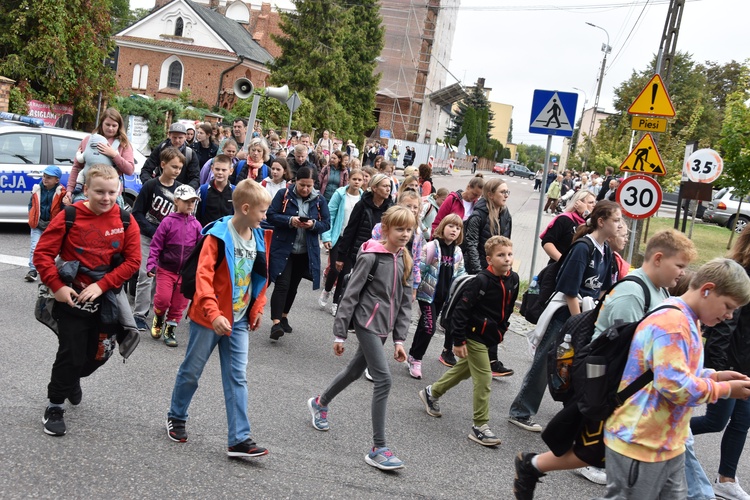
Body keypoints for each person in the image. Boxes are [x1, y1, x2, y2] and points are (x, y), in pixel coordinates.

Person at [513, 230, 697, 497]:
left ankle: (532, 464)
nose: (682, 273)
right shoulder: (633, 294)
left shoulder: (659, 290)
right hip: (611, 387)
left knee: (597, 451)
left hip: (627, 390)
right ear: (658, 258)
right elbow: (623, 351)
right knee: (598, 451)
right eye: (679, 265)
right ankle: (532, 464)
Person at [596, 259, 750, 499]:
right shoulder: (674, 324)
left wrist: (715, 376)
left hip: (665, 443)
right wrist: (724, 389)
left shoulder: (687, 319)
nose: (729, 316)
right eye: (728, 306)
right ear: (707, 289)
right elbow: (675, 387)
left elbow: (676, 372)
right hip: (640, 444)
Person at [166, 180, 271, 458]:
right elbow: (203, 278)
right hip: (208, 319)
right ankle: (176, 415)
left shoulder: (258, 235)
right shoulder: (217, 235)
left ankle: (239, 439)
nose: (264, 217)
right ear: (246, 208)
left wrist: (257, 308)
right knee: (192, 370)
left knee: (238, 377)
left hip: (237, 321)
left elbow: (260, 275)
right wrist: (213, 314)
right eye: (262, 211)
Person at [306, 205, 415, 471]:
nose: (405, 234)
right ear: (386, 229)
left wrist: (400, 340)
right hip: (366, 322)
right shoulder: (371, 257)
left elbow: (403, 303)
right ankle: (378, 448)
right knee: (384, 380)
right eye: (399, 229)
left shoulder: (404, 259)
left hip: (385, 328)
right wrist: (340, 333)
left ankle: (319, 403)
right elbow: (350, 294)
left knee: (355, 371)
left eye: (409, 230)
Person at [35, 164, 141, 437]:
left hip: (106, 300)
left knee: (100, 354)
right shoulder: (70, 215)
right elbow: (43, 254)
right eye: (99, 192)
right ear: (86, 189)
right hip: (71, 298)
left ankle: (71, 381)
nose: (106, 198)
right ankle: (55, 406)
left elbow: (133, 261)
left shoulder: (126, 220)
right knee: (70, 351)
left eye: (112, 191)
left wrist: (102, 284)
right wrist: (57, 287)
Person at [508, 201, 622, 432]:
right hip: (566, 315)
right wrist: (579, 324)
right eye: (617, 220)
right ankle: (521, 411)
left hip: (585, 316)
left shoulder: (606, 251)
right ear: (601, 222)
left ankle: (571, 418)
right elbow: (570, 290)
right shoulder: (583, 248)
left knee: (575, 366)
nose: (620, 225)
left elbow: (602, 288)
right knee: (544, 363)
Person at [419, 235, 519, 446]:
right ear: (489, 259)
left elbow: (507, 309)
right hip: (472, 335)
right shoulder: (480, 281)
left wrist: (502, 330)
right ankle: (480, 426)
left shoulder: (514, 279)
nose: (507, 259)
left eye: (509, 254)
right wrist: (459, 341)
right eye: (501, 255)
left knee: (464, 370)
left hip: (489, 336)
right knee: (484, 379)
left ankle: (431, 393)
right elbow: (461, 312)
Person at [690, 226, 750, 500]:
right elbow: (724, 328)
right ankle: (652, 432)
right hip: (730, 365)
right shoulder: (739, 276)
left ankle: (726, 478)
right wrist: (717, 371)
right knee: (716, 421)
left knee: (741, 422)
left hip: (746, 364)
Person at [266, 167, 330, 341]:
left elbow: (326, 224)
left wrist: (313, 225)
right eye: (302, 185)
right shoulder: (283, 194)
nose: (305, 189)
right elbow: (270, 215)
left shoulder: (319, 200)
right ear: (295, 182)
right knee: (282, 284)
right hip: (284, 248)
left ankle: (284, 316)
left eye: (309, 186)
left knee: (293, 286)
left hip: (305, 251)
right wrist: (289, 221)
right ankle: (276, 323)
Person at [461, 177, 514, 376]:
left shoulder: (506, 214)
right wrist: (478, 272)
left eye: (508, 192)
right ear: (490, 194)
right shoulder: (478, 215)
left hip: (496, 271)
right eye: (503, 192)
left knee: (492, 315)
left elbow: (506, 242)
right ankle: (450, 346)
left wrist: (506, 265)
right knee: (467, 310)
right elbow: (471, 243)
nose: (506, 196)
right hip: (481, 271)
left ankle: (492, 359)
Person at [131, 147, 185, 331]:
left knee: (160, 278)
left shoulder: (180, 190)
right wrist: (154, 231)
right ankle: (139, 314)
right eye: (174, 166)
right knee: (146, 274)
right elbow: (137, 213)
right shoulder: (151, 186)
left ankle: (158, 312)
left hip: (169, 243)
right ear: (163, 165)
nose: (177, 170)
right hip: (148, 237)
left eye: (180, 167)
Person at [407, 214, 466, 379]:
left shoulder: (457, 252)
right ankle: (417, 360)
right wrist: (414, 288)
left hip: (443, 298)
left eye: (458, 228)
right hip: (427, 295)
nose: (454, 230)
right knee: (429, 328)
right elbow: (420, 267)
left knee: (423, 326)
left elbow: (460, 274)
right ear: (442, 227)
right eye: (451, 226)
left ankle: (412, 354)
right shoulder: (432, 247)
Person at [146, 185, 202, 347]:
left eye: (193, 201)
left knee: (179, 304)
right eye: (186, 201)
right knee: (162, 299)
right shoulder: (167, 222)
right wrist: (151, 264)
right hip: (166, 269)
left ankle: (170, 330)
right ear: (176, 201)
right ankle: (159, 316)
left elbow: (200, 250)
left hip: (185, 274)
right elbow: (156, 245)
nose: (190, 205)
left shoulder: (197, 225)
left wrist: (198, 271)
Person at [333, 174, 395, 311]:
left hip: (380, 254)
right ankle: (341, 306)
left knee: (371, 287)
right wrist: (341, 256)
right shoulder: (361, 205)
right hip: (359, 253)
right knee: (352, 283)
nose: (388, 189)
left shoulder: (391, 208)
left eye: (389, 186)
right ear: (374, 188)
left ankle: (361, 314)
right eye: (384, 186)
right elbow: (350, 230)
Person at [64, 108, 135, 205]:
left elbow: (130, 170)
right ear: (101, 124)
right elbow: (76, 167)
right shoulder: (88, 140)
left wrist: (114, 155)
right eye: (107, 124)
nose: (110, 128)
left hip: (110, 195)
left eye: (114, 125)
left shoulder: (123, 144)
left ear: (119, 126)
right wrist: (69, 190)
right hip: (87, 192)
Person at [319, 169, 365, 316]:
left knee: (345, 272)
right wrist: (326, 237)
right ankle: (326, 290)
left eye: (359, 180)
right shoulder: (340, 194)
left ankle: (336, 302)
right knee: (334, 268)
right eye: (354, 179)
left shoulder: (363, 198)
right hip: (338, 236)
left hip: (352, 240)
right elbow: (330, 215)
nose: (357, 182)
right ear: (349, 180)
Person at [26, 165, 66, 282]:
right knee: (35, 247)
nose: (45, 179)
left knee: (52, 249)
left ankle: (51, 270)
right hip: (37, 223)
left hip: (52, 225)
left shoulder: (61, 193)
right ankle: (32, 270)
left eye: (49, 177)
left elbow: (63, 209)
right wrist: (31, 215)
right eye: (44, 176)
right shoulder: (37, 189)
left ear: (57, 180)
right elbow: (31, 204)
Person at [540, 190, 596, 264]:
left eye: (595, 202)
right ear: (578, 204)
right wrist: (564, 261)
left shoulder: (591, 223)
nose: (594, 205)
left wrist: (586, 214)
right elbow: (547, 242)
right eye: (590, 202)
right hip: (559, 268)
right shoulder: (564, 219)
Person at [140, 123, 200, 190]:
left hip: (180, 193)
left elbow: (195, 178)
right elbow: (146, 169)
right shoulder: (161, 149)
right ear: (169, 136)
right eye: (174, 137)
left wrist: (185, 191)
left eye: (180, 138)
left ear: (185, 137)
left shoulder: (190, 154)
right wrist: (149, 186)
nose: (177, 140)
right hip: (159, 189)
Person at [197, 154, 235, 227]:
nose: (220, 172)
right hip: (207, 234)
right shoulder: (203, 191)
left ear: (231, 171)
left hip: (227, 234)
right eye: (217, 169)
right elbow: (195, 216)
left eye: (224, 170)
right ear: (212, 168)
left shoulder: (236, 192)